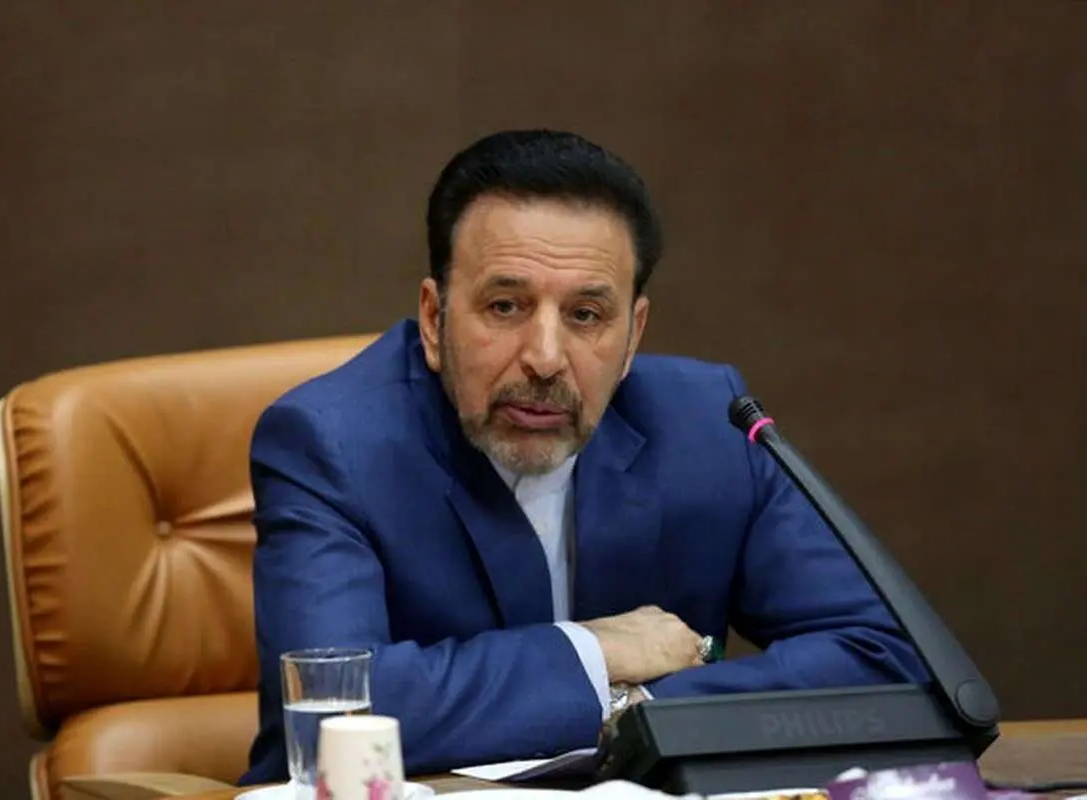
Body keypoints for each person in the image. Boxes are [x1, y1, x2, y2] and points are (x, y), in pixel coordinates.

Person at [239, 129, 925, 785]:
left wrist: (641, 715)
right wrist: (597, 654)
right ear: (434, 318)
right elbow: (336, 712)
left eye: (586, 316)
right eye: (505, 307)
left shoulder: (707, 424)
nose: (544, 358)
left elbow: (884, 656)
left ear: (633, 335)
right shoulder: (328, 443)